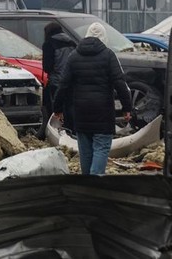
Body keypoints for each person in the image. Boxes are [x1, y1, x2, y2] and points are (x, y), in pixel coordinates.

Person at [53, 22, 133, 175]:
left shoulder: (74, 56)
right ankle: (96, 182)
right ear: (104, 37)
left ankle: (87, 186)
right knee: (101, 147)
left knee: (85, 150)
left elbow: (63, 85)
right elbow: (120, 83)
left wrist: (57, 109)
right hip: (103, 112)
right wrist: (127, 108)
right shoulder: (108, 55)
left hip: (81, 112)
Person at [40, 22, 77, 138]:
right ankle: (72, 131)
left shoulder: (49, 44)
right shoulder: (72, 43)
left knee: (55, 108)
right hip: (72, 81)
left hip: (57, 82)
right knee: (70, 107)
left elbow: (47, 67)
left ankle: (57, 133)